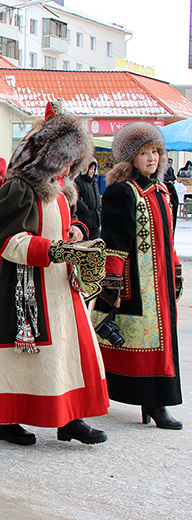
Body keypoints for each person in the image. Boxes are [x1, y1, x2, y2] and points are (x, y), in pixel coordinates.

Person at [0, 110, 110, 447]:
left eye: (72, 163)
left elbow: (67, 224)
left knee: (67, 351)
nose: (68, 170)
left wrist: (75, 231)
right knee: (24, 357)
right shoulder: (18, 188)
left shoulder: (61, 189)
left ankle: (69, 417)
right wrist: (56, 250)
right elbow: (5, 239)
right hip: (23, 286)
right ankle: (5, 420)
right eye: (63, 162)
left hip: (60, 285)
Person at [91, 122, 183, 430]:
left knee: (164, 343)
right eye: (144, 152)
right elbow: (115, 244)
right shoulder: (122, 192)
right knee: (142, 344)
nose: (152, 158)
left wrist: (176, 268)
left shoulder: (162, 191)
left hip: (161, 284)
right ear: (131, 158)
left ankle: (153, 402)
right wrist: (111, 288)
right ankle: (155, 403)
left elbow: (167, 238)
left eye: (155, 152)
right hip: (138, 287)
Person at [74, 160, 103, 239]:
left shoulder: (94, 183)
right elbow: (75, 197)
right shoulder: (78, 181)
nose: (93, 171)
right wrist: (84, 208)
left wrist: (100, 208)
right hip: (85, 220)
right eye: (91, 169)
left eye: (94, 169)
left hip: (95, 221)